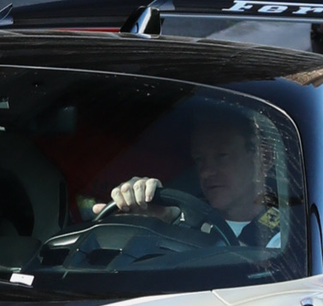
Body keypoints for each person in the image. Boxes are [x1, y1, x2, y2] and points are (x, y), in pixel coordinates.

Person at [102, 102, 286, 248]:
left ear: (264, 159)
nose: (206, 171)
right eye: (199, 159)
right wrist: (148, 219)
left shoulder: (290, 238)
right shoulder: (183, 218)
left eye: (221, 156)